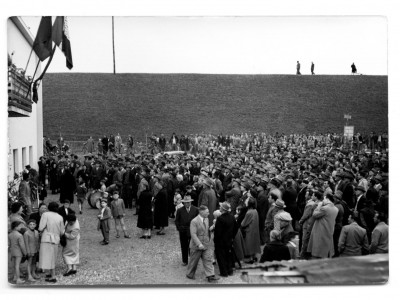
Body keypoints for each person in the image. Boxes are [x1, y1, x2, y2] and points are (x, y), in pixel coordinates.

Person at [186, 205, 220, 283]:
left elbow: (206, 230)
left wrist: (211, 229)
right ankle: (190, 274)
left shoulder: (206, 219)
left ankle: (210, 276)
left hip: (206, 244)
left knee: (208, 259)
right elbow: (193, 234)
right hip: (196, 246)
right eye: (207, 212)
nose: (209, 213)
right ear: (201, 212)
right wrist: (199, 244)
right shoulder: (194, 221)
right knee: (193, 262)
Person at [38, 201, 65, 283]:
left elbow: (40, 227)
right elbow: (62, 231)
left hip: (46, 238)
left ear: (49, 207)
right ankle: (51, 273)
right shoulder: (60, 217)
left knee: (47, 257)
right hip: (56, 238)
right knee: (53, 257)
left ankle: (53, 276)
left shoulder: (45, 215)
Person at [307, 194, 338, 259]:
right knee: (324, 252)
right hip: (328, 231)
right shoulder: (336, 209)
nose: (323, 201)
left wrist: (319, 206)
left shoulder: (325, 208)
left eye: (324, 199)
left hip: (320, 232)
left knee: (316, 253)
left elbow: (314, 215)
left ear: (327, 199)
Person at [214, 202, 239, 277]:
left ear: (223, 209)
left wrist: (215, 241)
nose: (219, 207)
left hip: (221, 242)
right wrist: (232, 237)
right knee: (228, 255)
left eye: (220, 207)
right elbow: (236, 228)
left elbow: (217, 232)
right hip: (229, 240)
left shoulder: (220, 219)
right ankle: (229, 271)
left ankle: (224, 272)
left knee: (221, 257)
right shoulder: (232, 217)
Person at [175, 195, 199, 266]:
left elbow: (198, 220)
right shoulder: (180, 210)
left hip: (192, 231)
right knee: (184, 245)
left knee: (193, 246)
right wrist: (179, 228)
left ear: (191, 202)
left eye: (189, 202)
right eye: (186, 202)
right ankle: (185, 260)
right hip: (183, 230)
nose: (187, 204)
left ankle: (193, 259)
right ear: (184, 203)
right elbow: (177, 221)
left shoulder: (195, 209)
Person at [241, 198, 261, 263]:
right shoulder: (255, 211)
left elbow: (243, 224)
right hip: (255, 230)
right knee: (254, 244)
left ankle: (250, 259)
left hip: (249, 231)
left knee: (249, 245)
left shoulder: (249, 212)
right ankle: (253, 257)